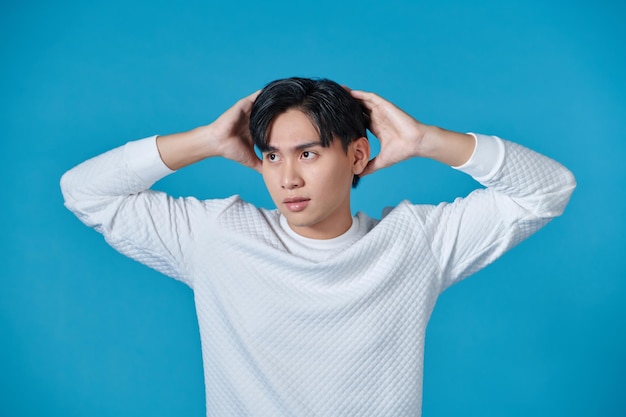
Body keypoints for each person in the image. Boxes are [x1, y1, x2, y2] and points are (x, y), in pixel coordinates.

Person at [60, 77, 576, 416]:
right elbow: (83, 191)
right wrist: (206, 139)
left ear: (356, 156)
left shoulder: (414, 243)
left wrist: (426, 139)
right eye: (271, 156)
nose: (287, 177)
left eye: (308, 153)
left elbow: (549, 189)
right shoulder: (217, 237)